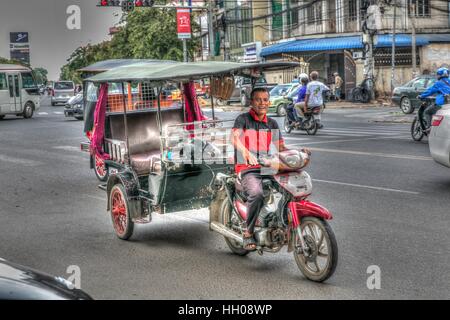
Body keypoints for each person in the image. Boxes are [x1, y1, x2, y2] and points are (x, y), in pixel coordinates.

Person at [231, 88, 288, 250]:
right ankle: (248, 233)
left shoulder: (272, 123)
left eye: (265, 100)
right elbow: (234, 138)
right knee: (256, 193)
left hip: (266, 166)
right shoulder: (243, 119)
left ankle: (281, 222)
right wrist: (246, 152)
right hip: (247, 168)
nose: (262, 103)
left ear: (269, 102)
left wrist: (297, 154)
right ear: (251, 102)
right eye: (258, 99)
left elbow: (281, 147)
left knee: (290, 189)